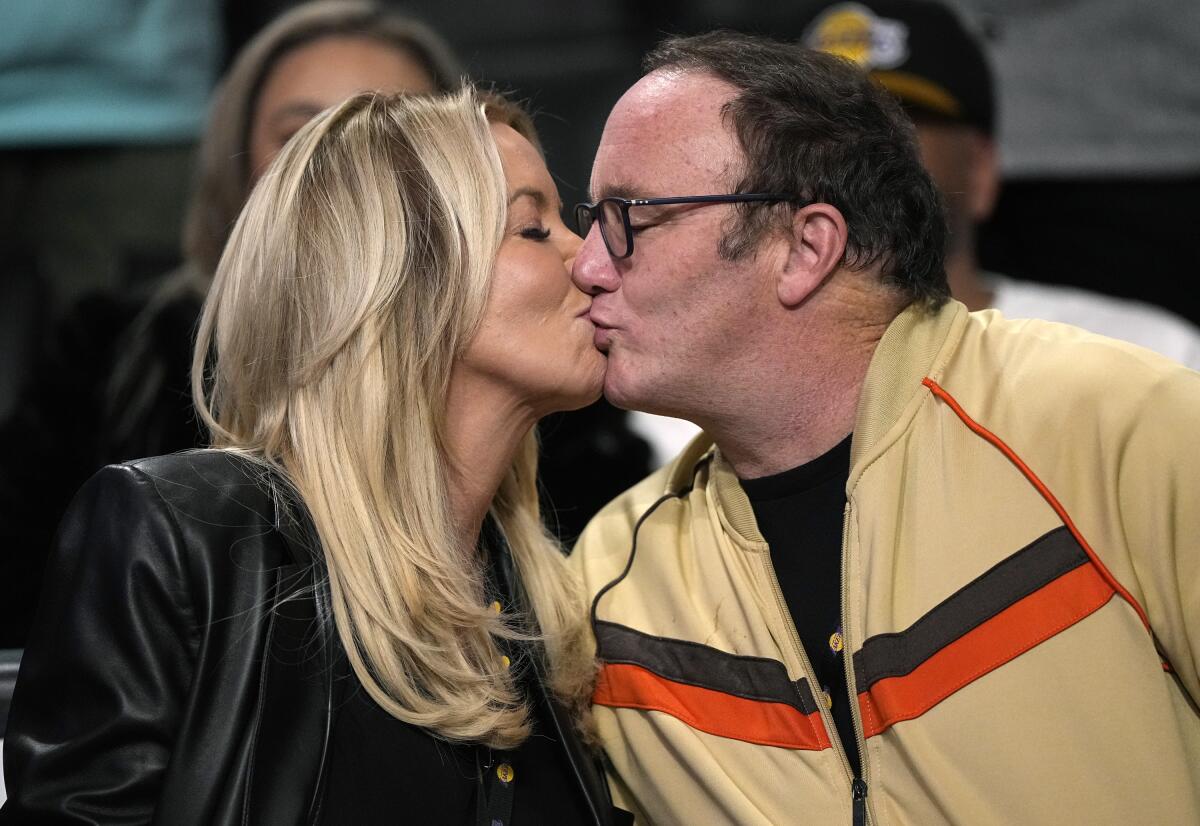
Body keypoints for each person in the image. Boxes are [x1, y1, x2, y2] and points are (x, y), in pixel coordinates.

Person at [569, 31, 1200, 825]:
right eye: (593, 217)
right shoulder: (616, 581)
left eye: (633, 216)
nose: (587, 262)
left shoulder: (1107, 424)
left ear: (806, 247)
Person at [2, 88, 629, 825]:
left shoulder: (546, 599)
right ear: (397, 273)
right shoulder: (184, 536)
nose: (592, 258)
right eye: (532, 227)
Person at [0, 0, 464, 648]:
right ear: (239, 168)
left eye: (384, 138)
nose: (334, 168)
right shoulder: (109, 355)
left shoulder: (528, 366)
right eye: (299, 133)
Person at [800, 0, 1200, 370]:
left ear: (980, 170)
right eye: (815, 127)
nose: (854, 147)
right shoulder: (754, 372)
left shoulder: (1141, 356)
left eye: (898, 119)